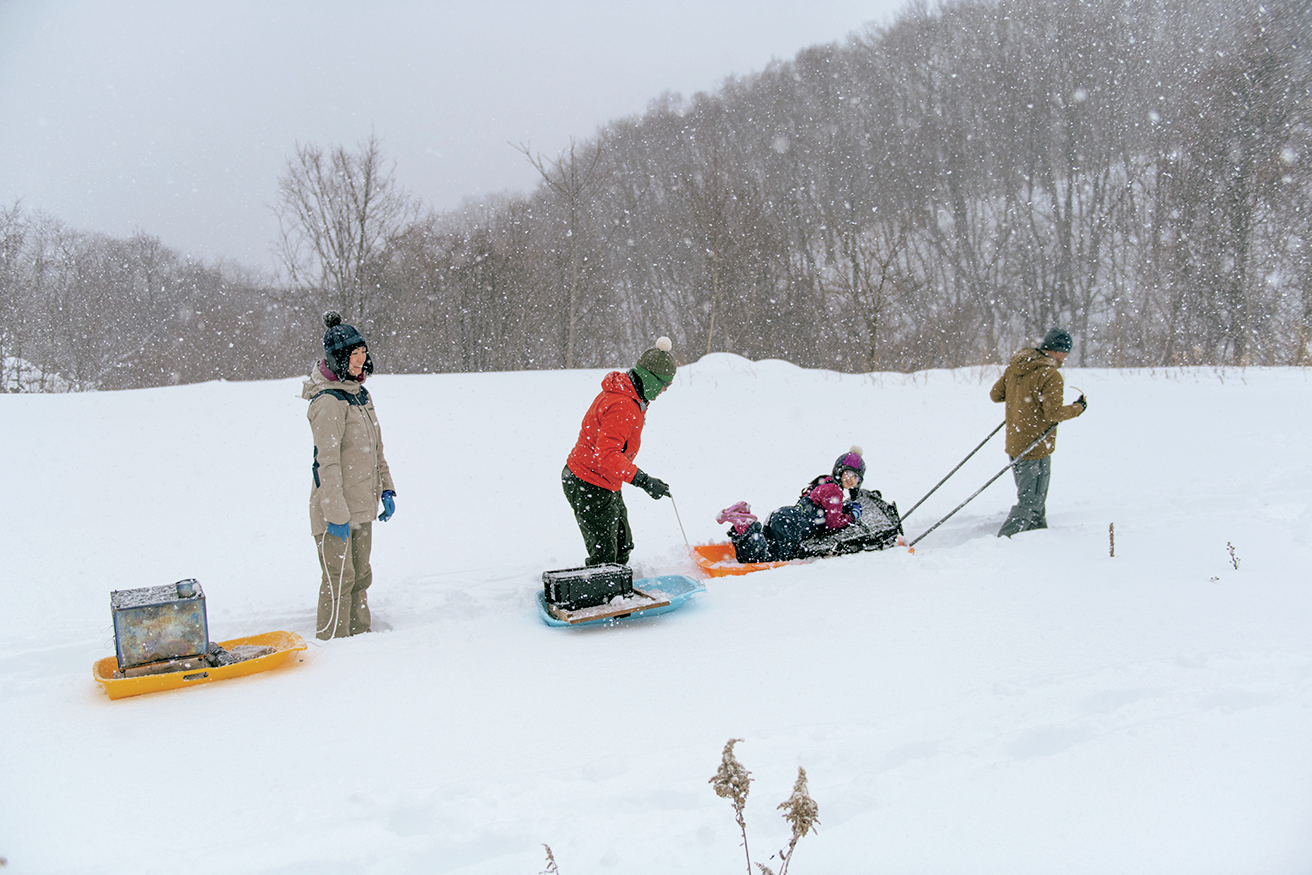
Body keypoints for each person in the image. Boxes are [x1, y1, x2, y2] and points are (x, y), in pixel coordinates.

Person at [302, 312, 396, 639]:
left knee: (361, 576)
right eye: (355, 357)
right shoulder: (328, 401)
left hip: (362, 507)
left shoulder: (359, 395)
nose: (362, 362)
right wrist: (335, 514)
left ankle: (361, 638)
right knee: (339, 579)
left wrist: (386, 489)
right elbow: (325, 465)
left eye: (363, 355)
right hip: (336, 513)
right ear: (339, 359)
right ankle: (333, 642)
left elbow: (375, 449)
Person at [562, 337, 676, 566]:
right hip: (587, 481)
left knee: (622, 545)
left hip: (605, 480)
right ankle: (600, 597)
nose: (665, 390)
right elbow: (607, 454)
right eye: (665, 384)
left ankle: (615, 589)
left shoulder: (632, 398)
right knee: (605, 556)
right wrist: (644, 480)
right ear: (651, 379)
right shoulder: (623, 405)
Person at [990, 327, 1087, 538]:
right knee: (1031, 500)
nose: (1066, 357)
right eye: (1065, 352)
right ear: (1057, 351)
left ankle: (1037, 537)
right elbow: (1054, 413)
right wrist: (1078, 408)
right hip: (1035, 444)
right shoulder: (1050, 375)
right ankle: (1004, 541)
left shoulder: (1016, 367)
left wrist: (1021, 395)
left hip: (1016, 442)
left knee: (1036, 496)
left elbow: (996, 395)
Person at [718, 447, 867, 563]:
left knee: (767, 544)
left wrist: (843, 509)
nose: (852, 480)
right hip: (792, 526)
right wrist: (852, 516)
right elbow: (832, 524)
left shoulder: (824, 482)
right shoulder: (835, 491)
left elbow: (821, 506)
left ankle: (743, 522)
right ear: (839, 471)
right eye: (849, 473)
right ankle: (745, 525)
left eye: (857, 478)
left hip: (786, 517)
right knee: (770, 557)